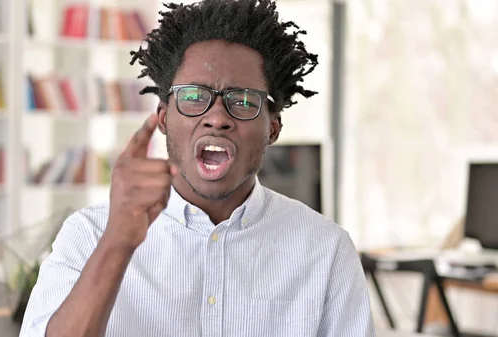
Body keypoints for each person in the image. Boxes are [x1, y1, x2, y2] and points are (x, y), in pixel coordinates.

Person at [20, 0, 375, 336]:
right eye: (193, 97)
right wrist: (117, 242)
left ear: (273, 128)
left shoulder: (326, 250)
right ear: (163, 118)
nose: (217, 117)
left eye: (244, 100)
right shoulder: (88, 235)